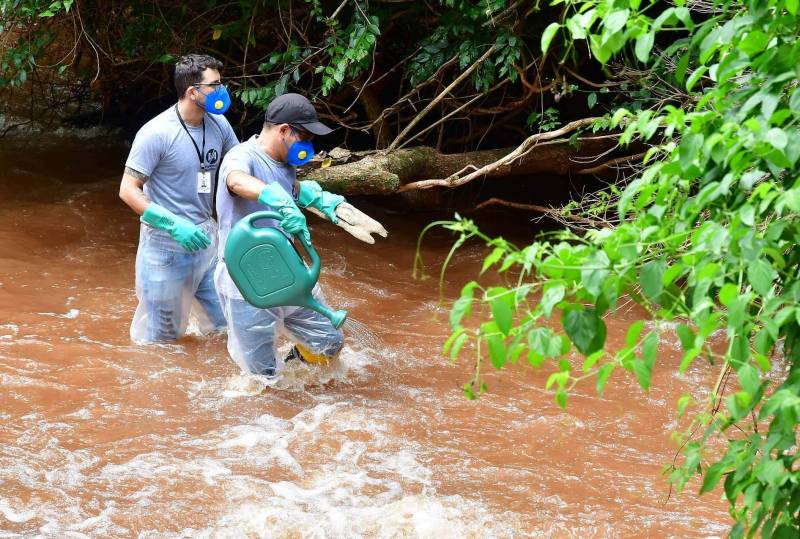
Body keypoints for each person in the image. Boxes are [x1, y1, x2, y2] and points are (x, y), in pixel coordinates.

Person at [215, 93, 348, 377]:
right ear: (284, 131)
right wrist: (271, 195)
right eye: (306, 137)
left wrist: (314, 196)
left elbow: (290, 189)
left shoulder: (286, 164)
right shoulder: (241, 156)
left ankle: (295, 374)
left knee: (329, 342)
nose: (309, 146)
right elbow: (236, 180)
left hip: (288, 270)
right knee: (262, 376)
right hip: (248, 282)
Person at [119, 54, 238, 342]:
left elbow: (238, 166)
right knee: (161, 339)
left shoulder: (219, 124)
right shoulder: (156, 133)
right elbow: (127, 190)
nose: (222, 91)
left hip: (205, 240)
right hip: (165, 247)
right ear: (192, 91)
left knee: (226, 324)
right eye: (215, 85)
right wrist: (173, 225)